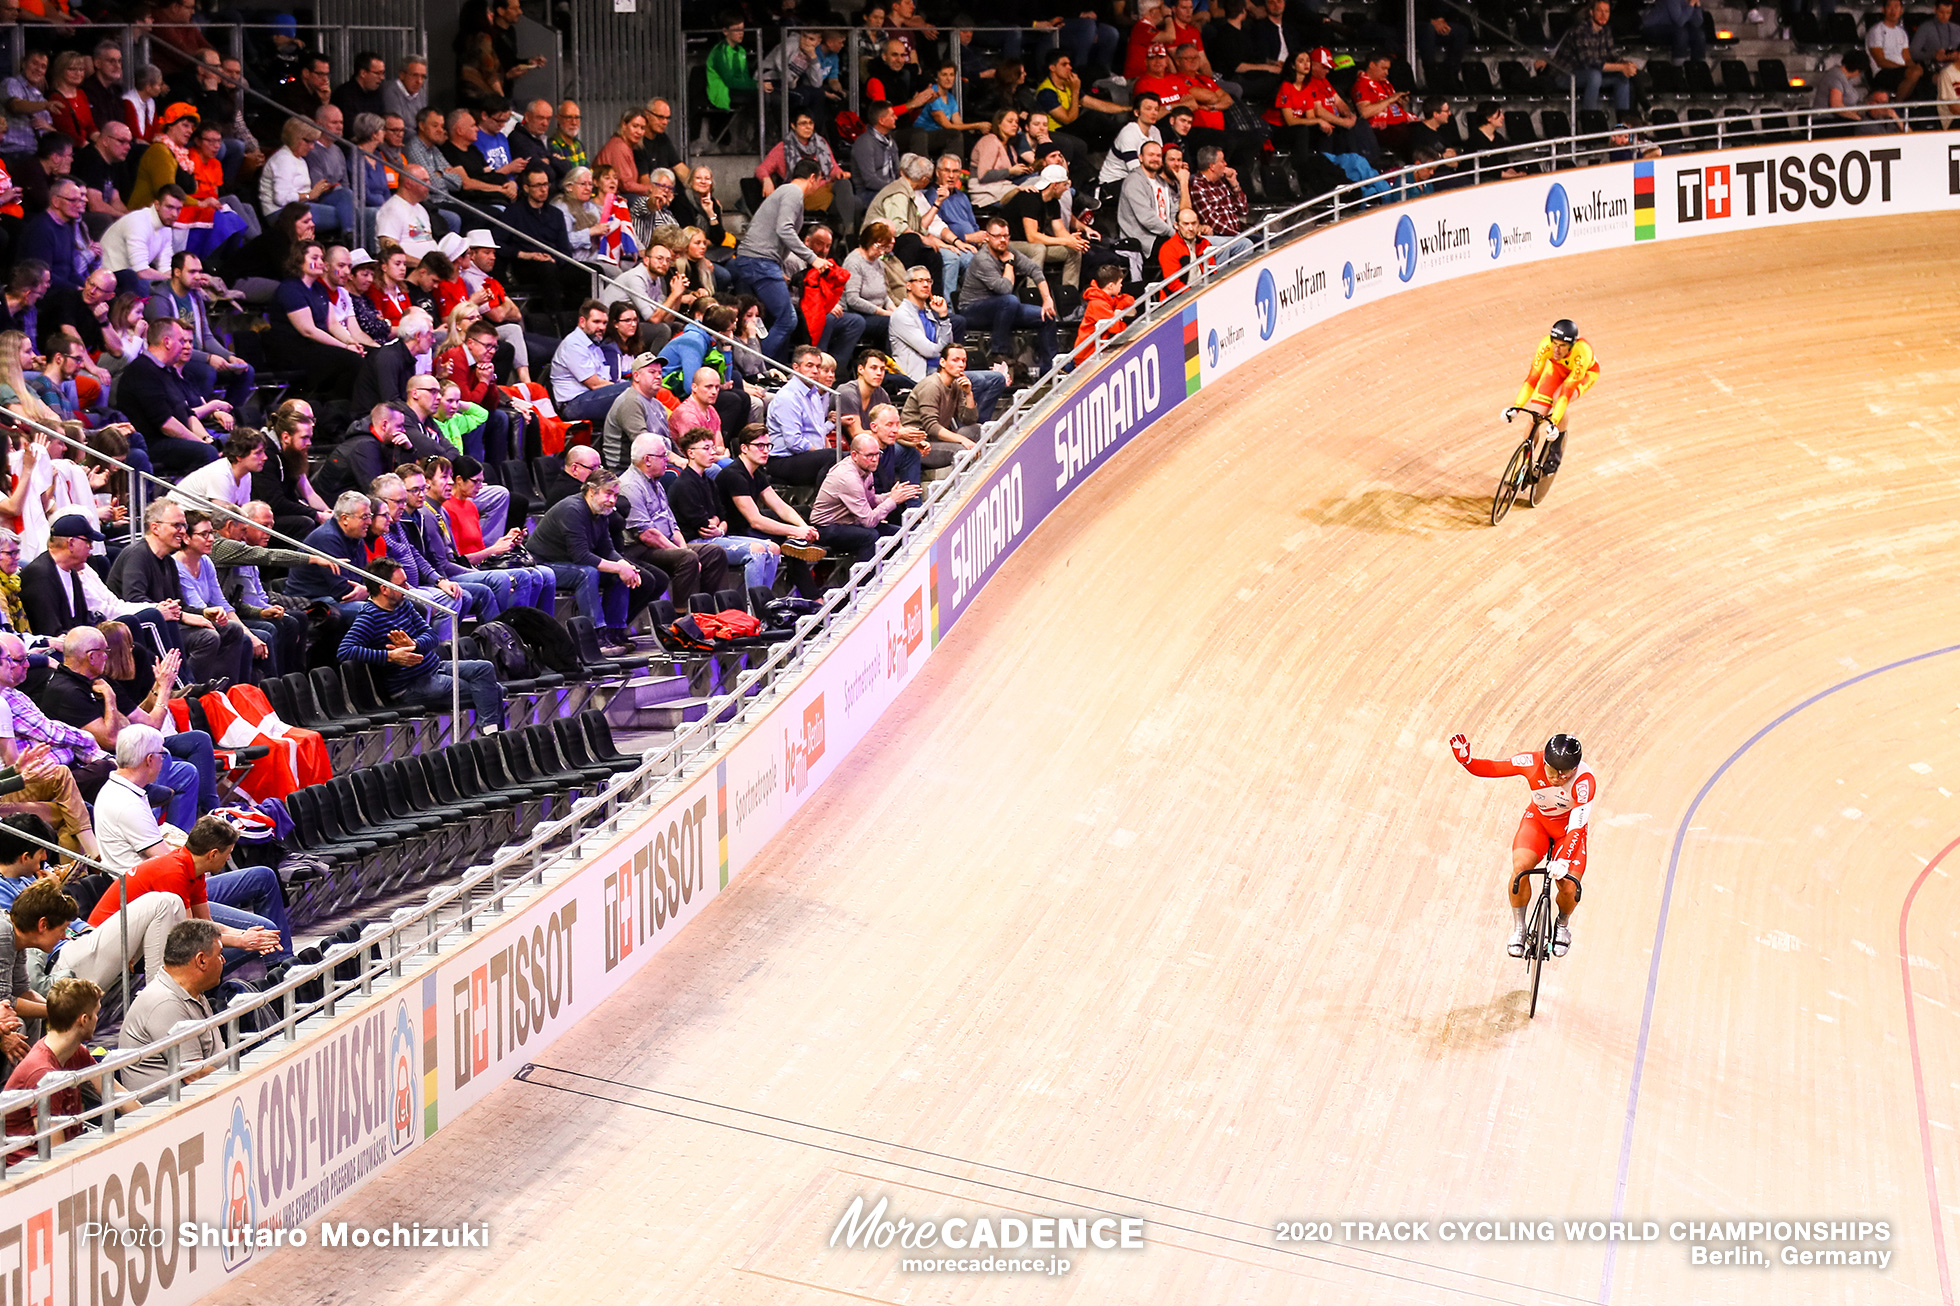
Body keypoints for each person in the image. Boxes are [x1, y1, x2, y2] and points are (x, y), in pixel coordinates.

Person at [1451, 731, 1593, 958]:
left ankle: (1562, 924)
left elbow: (1577, 827)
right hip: (1538, 822)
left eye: (1564, 774)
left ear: (1575, 769)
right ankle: (1519, 927)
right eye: (1551, 772)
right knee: (1520, 868)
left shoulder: (1585, 781)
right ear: (1543, 762)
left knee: (1570, 886)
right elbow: (1494, 768)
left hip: (1568, 832)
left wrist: (1564, 860)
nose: (1557, 779)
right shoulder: (1531, 761)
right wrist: (1467, 761)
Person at [92, 816, 288, 972]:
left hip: (147, 938)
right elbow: (188, 936)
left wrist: (245, 934)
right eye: (228, 852)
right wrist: (241, 941)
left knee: (261, 935)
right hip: (115, 949)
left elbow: (205, 923)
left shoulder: (193, 869)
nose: (229, 857)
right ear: (212, 854)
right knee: (206, 954)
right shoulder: (173, 872)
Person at [338, 554, 506, 728]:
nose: (407, 588)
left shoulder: (404, 605)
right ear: (384, 589)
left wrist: (415, 644)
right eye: (401, 585)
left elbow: (432, 637)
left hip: (435, 668)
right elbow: (345, 651)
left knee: (485, 669)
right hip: (412, 686)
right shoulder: (369, 618)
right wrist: (390, 656)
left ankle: (489, 732)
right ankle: (491, 736)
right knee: (493, 691)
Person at [107, 500, 252, 685]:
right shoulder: (137, 555)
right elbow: (134, 601)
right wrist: (184, 616)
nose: (183, 531)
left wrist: (205, 613)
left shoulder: (167, 561)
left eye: (183, 525)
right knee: (207, 638)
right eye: (177, 525)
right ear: (155, 527)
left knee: (232, 629)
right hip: (138, 630)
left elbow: (179, 604)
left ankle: (222, 693)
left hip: (168, 624)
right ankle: (191, 691)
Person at [729, 159, 834, 363]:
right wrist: (813, 259)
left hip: (752, 260)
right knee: (787, 319)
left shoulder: (784, 192)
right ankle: (756, 365)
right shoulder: (793, 193)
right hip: (760, 262)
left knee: (765, 319)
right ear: (813, 178)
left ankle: (766, 368)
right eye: (820, 181)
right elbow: (784, 229)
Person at [528, 471, 644, 652]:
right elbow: (581, 556)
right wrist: (619, 568)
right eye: (608, 493)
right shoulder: (573, 510)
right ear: (591, 491)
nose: (613, 500)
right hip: (544, 564)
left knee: (619, 574)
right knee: (586, 573)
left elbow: (607, 549)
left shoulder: (600, 511)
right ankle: (595, 635)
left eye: (615, 495)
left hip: (569, 563)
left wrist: (625, 566)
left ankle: (615, 632)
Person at [618, 433, 732, 607]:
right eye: (663, 456)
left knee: (714, 553)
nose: (667, 460)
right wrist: (685, 552)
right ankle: (683, 617)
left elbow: (672, 524)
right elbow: (647, 535)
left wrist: (684, 548)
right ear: (647, 459)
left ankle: (713, 611)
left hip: (663, 543)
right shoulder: (630, 486)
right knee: (687, 559)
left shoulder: (656, 483)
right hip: (638, 549)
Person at [115, 917, 222, 1099]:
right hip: (173, 1114)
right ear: (201, 961)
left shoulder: (191, 990)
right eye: (219, 954)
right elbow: (195, 1075)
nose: (223, 960)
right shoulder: (165, 1003)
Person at [717, 426, 826, 597]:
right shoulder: (733, 475)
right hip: (735, 532)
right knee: (791, 542)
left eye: (768, 446)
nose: (766, 450)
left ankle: (810, 597)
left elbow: (780, 506)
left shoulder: (756, 472)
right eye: (760, 446)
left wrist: (804, 527)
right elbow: (755, 520)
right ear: (744, 448)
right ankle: (812, 598)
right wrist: (795, 531)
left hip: (749, 526)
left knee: (801, 517)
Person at [2, 974, 101, 1161]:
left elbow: (113, 1090)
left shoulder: (76, 1052)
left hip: (61, 1156)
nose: (98, 1019)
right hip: (28, 1174)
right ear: (84, 1019)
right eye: (96, 1013)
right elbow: (57, 1156)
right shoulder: (42, 1073)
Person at [670, 427, 778, 593]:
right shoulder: (684, 484)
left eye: (713, 448)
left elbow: (722, 515)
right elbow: (701, 524)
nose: (712, 452)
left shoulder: (709, 481)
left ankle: (765, 603)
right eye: (706, 448)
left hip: (716, 536)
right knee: (756, 550)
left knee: (774, 548)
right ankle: (754, 608)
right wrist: (716, 524)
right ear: (691, 453)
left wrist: (719, 527)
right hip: (694, 542)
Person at [1504, 319, 1599, 499]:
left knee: (1557, 399)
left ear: (1571, 346)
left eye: (1562, 346)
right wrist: (1516, 408)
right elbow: (1532, 378)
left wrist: (1554, 423)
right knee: (1535, 417)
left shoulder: (1582, 353)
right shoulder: (1545, 345)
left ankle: (1554, 453)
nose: (1556, 349)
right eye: (1554, 344)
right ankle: (1525, 465)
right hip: (1557, 370)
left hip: (1583, 374)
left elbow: (1565, 392)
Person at [810, 433, 920, 573]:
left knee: (900, 534)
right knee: (870, 536)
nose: (875, 459)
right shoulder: (848, 477)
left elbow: (871, 501)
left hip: (848, 522)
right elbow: (868, 521)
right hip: (825, 528)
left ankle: (891, 574)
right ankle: (863, 585)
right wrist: (893, 500)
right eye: (869, 455)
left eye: (877, 454)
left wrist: (893, 495)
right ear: (854, 455)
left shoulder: (865, 469)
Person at [1540, 1, 1638, 114]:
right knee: (1594, 75)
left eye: (1607, 11)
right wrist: (1621, 67)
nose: (1603, 15)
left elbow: (1612, 56)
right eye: (1599, 11)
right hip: (1565, 75)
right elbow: (1589, 62)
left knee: (1622, 77)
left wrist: (1627, 65)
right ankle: (1590, 120)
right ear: (1591, 12)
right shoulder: (1580, 31)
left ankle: (1623, 123)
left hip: (1590, 74)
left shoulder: (1606, 31)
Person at [548, 300, 633, 423]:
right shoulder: (573, 345)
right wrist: (624, 387)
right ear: (582, 322)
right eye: (596, 322)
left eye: (604, 323)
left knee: (639, 389)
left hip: (591, 397)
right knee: (635, 389)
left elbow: (605, 379)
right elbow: (594, 384)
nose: (602, 327)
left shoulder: (594, 344)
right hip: (573, 404)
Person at [1118, 139, 1183, 250]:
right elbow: (1147, 219)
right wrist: (1173, 234)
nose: (1155, 159)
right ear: (1141, 158)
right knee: (1182, 251)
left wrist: (1177, 230)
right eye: (1151, 155)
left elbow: (1172, 210)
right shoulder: (1134, 181)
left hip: (1164, 235)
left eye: (1158, 156)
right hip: (1144, 240)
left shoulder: (1161, 182)